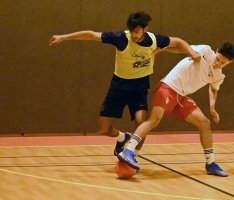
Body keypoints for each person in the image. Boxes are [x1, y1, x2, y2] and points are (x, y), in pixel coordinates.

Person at [49, 10, 200, 158]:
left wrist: (191, 52)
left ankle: (133, 156)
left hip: (139, 87)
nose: (134, 35)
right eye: (132, 31)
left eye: (137, 31)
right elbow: (91, 35)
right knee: (103, 129)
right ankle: (123, 138)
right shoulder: (120, 38)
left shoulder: (154, 40)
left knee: (142, 124)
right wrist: (63, 37)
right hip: (118, 87)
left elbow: (179, 42)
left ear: (145, 30)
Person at [118, 41, 234, 177]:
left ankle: (210, 164)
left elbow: (213, 88)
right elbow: (182, 48)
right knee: (155, 119)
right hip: (168, 87)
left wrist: (212, 107)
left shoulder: (219, 76)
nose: (217, 63)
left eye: (222, 63)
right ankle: (128, 150)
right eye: (217, 59)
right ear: (216, 51)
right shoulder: (205, 50)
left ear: (230, 62)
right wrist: (163, 48)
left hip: (181, 96)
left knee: (204, 123)